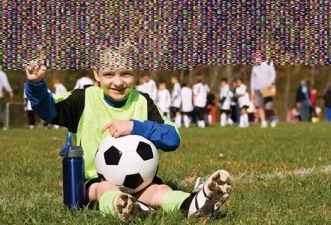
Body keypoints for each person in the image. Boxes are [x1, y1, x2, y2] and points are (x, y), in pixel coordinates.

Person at [25, 42, 231, 221]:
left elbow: (172, 138)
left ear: (137, 73)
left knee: (161, 190)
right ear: (96, 73)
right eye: (108, 74)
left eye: (126, 73)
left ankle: (193, 205)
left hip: (142, 182)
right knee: (104, 188)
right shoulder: (83, 99)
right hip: (93, 181)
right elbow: (48, 110)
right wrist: (36, 85)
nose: (118, 81)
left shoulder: (143, 101)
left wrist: (135, 127)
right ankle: (122, 205)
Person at [250, 51, 276, 128]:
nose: (255, 59)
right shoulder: (254, 67)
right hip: (257, 89)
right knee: (259, 106)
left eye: (257, 57)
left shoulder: (269, 63)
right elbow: (253, 79)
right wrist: (252, 91)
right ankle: (263, 122)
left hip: (267, 88)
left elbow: (273, 74)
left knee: (269, 107)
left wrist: (270, 83)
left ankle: (274, 119)